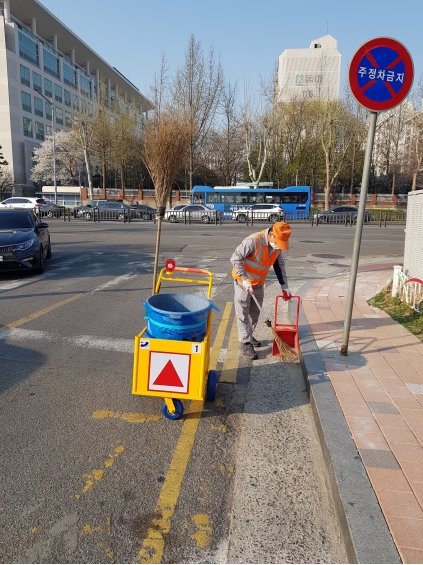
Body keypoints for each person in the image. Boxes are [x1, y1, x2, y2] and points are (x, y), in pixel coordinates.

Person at [230, 221, 292, 360]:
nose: (279, 247)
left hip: (258, 284)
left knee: (255, 313)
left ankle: (249, 335)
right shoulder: (253, 241)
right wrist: (245, 278)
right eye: (278, 243)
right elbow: (235, 258)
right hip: (243, 283)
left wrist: (284, 286)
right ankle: (246, 343)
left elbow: (279, 265)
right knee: (243, 313)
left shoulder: (276, 247)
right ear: (271, 235)